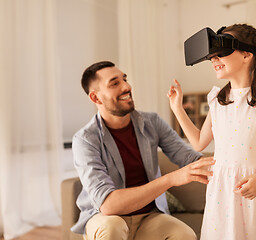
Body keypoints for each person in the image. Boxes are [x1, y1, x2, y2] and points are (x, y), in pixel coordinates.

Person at [167, 24, 256, 240]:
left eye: (221, 55)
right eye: (212, 56)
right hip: (220, 192)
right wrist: (177, 109)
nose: (213, 60)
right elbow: (199, 143)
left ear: (247, 55)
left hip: (252, 189)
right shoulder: (217, 100)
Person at [71, 60, 216, 240]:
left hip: (150, 217)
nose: (126, 86)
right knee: (112, 228)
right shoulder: (85, 140)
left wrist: (243, 161)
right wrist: (171, 179)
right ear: (96, 98)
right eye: (115, 83)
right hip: (105, 218)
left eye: (125, 79)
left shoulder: (151, 122)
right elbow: (108, 205)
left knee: (184, 235)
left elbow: (190, 158)